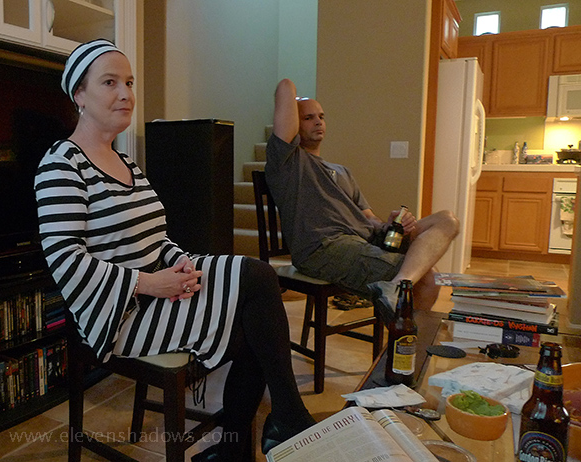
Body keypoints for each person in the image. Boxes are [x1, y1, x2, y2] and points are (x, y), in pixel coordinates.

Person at [34, 40, 314, 462]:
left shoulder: (127, 164)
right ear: (79, 95)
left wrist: (177, 262)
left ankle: (243, 445)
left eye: (129, 82)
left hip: (155, 289)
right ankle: (279, 425)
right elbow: (63, 259)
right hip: (116, 316)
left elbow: (155, 238)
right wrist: (150, 284)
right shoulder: (61, 163)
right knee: (254, 314)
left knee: (258, 287)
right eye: (109, 83)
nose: (126, 93)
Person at [265, 78, 460, 322]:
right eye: (308, 117)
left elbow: (369, 217)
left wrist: (389, 224)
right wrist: (296, 100)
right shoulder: (288, 163)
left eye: (321, 116)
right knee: (428, 280)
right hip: (325, 247)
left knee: (447, 220)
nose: (318, 121)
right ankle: (404, 338)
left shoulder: (342, 171)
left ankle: (396, 286)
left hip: (365, 238)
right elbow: (285, 86)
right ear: (294, 122)